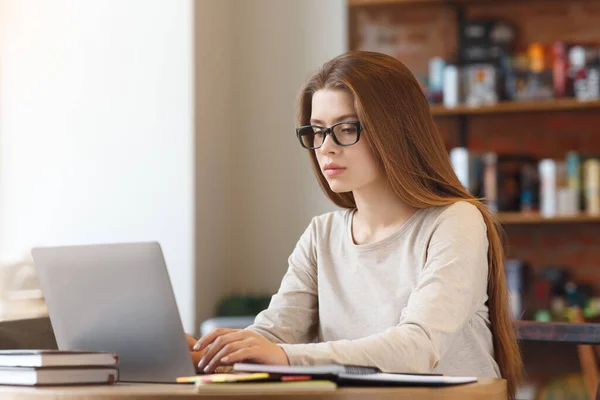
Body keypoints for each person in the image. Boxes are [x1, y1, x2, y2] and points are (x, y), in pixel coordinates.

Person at [188, 51, 522, 399]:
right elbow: (273, 337)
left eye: (346, 129)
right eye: (317, 131)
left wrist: (284, 356)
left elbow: (418, 346)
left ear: (394, 130)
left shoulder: (454, 221)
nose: (326, 148)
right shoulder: (322, 234)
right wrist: (206, 353)